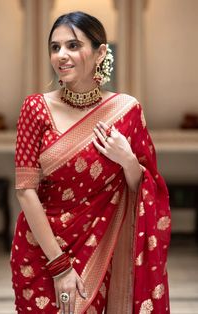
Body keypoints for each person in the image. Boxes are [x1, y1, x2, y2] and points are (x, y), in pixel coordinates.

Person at [10, 11, 171, 314]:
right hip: (43, 254)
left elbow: (145, 189)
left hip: (105, 249)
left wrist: (128, 161)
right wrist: (59, 267)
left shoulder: (126, 111)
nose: (61, 55)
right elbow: (25, 190)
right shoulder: (35, 108)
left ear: (100, 53)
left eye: (73, 45)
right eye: (55, 47)